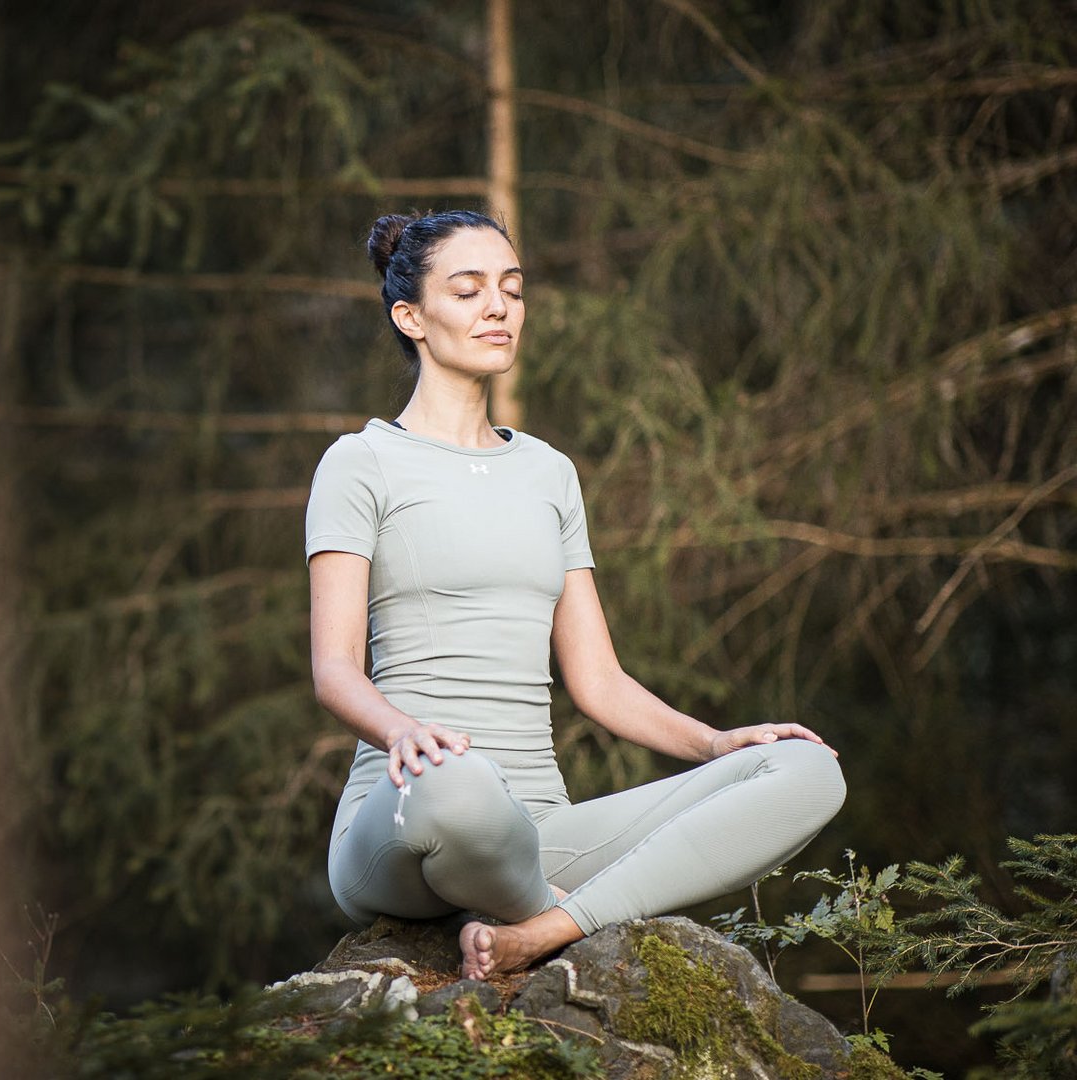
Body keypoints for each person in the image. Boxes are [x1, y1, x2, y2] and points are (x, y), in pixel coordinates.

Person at [304, 209, 847, 981]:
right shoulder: (360, 463)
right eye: (468, 291)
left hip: (537, 828)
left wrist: (717, 743)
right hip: (407, 811)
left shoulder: (549, 473)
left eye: (512, 289)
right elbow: (334, 670)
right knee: (463, 788)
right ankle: (548, 909)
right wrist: (402, 734)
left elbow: (597, 681)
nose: (498, 308)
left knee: (805, 770)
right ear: (410, 317)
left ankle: (546, 925)